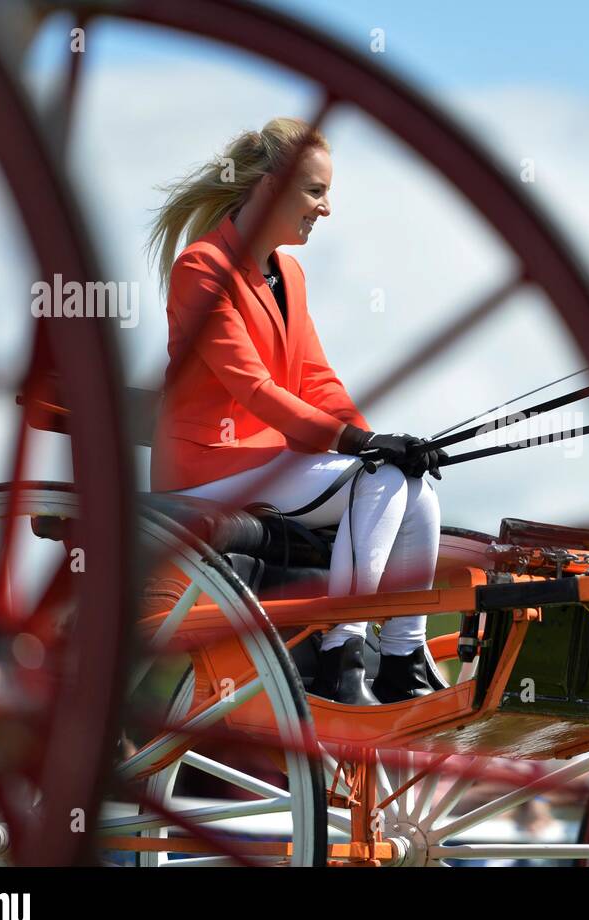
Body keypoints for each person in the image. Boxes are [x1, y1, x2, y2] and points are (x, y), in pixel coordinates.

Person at [146, 117, 447, 706]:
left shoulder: (290, 275)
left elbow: (316, 379)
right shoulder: (202, 269)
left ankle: (404, 657)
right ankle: (344, 649)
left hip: (273, 462)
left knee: (415, 486)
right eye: (315, 191)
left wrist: (374, 436)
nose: (327, 208)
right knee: (376, 481)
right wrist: (356, 446)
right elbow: (255, 389)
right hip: (211, 471)